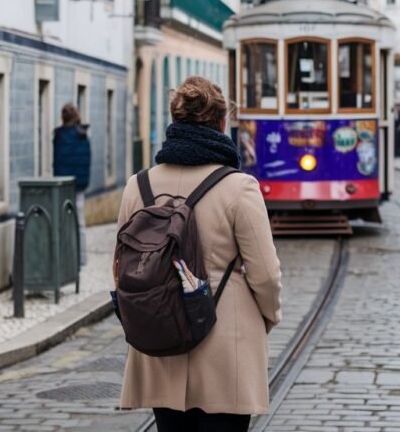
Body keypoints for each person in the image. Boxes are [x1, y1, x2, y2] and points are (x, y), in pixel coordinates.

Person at [117, 76, 282, 432]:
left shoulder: (138, 185)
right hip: (226, 350)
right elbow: (266, 274)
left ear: (174, 121)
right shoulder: (239, 187)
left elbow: (121, 267)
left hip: (160, 344)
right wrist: (266, 318)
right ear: (223, 124)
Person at [54, 103, 91, 266]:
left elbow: (58, 161)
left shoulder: (59, 135)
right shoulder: (83, 135)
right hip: (80, 185)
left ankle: (65, 258)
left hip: (63, 185)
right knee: (80, 222)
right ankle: (82, 258)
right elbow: (86, 160)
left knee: (63, 221)